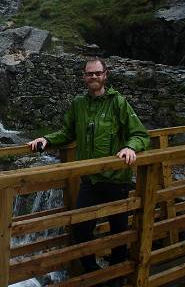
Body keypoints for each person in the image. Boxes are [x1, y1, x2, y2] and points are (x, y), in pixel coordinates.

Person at [28, 57, 150, 279]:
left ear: (105, 75)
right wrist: (47, 139)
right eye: (89, 74)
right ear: (84, 77)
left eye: (97, 73)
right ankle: (93, 273)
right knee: (81, 229)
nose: (93, 77)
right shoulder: (78, 104)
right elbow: (68, 132)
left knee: (119, 234)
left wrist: (131, 147)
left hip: (116, 179)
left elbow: (140, 134)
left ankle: (115, 277)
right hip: (90, 181)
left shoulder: (118, 103)